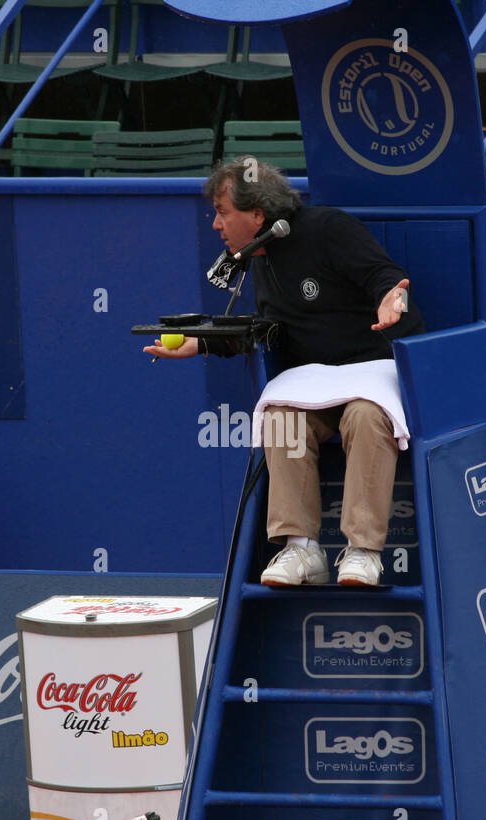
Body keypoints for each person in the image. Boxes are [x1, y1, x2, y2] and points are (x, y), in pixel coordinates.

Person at [144, 158, 421, 586]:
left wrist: (391, 300)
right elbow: (268, 329)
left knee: (365, 417)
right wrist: (202, 344)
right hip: (313, 385)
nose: (216, 225)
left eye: (223, 212)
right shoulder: (258, 255)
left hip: (371, 373)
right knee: (280, 419)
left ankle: (364, 552)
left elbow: (386, 276)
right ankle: (301, 550)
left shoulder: (329, 229)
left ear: (257, 214)